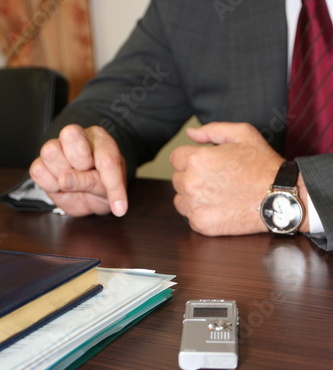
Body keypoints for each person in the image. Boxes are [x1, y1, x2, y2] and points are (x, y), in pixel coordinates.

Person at [29, 0, 333, 251]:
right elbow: (110, 106)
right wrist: (83, 156)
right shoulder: (194, 8)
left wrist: (301, 194)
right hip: (252, 277)